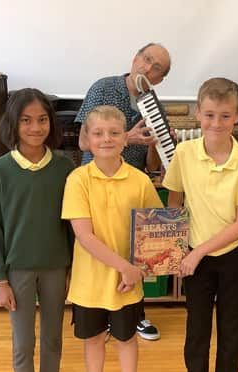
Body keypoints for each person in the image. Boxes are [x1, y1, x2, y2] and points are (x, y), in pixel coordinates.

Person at [162, 77, 238, 372]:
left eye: (224, 116)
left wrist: (199, 252)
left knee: (232, 327)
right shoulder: (184, 153)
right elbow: (174, 201)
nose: (216, 123)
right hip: (194, 255)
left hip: (233, 254)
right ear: (197, 114)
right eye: (209, 115)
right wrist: (177, 250)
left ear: (237, 117)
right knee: (197, 328)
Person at [62, 106, 163, 372]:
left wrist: (140, 268)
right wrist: (125, 267)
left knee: (126, 337)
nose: (107, 139)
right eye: (98, 133)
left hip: (128, 282)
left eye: (114, 132)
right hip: (90, 281)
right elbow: (84, 234)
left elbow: (156, 230)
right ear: (87, 139)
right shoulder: (78, 179)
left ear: (126, 139)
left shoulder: (140, 180)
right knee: (92, 338)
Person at [0, 88, 75, 372]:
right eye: (26, 120)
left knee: (53, 336)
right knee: (22, 341)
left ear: (51, 123)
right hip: (17, 271)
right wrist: (0, 280)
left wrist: (71, 270)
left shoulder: (64, 168)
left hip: (55, 267)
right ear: (13, 124)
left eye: (41, 120)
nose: (35, 127)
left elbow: (71, 223)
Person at [74, 42, 171, 341]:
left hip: (132, 186)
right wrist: (126, 137)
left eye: (157, 68)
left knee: (133, 251)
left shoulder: (155, 106)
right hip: (97, 184)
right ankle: (99, 315)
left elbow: (152, 164)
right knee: (101, 247)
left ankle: (134, 315)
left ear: (159, 79)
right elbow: (81, 142)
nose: (147, 68)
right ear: (135, 58)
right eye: (146, 59)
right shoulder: (104, 88)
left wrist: (156, 145)